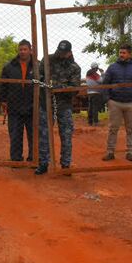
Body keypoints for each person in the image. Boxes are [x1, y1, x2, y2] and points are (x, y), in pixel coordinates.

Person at [35, 40, 81, 175]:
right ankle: (43, 163)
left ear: (69, 53)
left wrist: (59, 88)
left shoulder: (74, 67)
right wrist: (47, 84)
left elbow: (75, 88)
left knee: (66, 135)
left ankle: (65, 165)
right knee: (44, 135)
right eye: (60, 51)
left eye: (64, 52)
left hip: (64, 105)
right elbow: (38, 76)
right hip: (46, 103)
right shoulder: (47, 60)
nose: (61, 54)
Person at [101, 44, 132, 162]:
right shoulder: (112, 67)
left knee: (130, 129)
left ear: (129, 54)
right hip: (115, 102)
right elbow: (105, 84)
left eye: (124, 53)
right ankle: (110, 152)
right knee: (113, 128)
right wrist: (108, 100)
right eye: (120, 52)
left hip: (131, 103)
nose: (121, 55)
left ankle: (130, 152)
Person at [0, 39, 37, 162]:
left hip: (33, 106)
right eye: (20, 49)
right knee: (15, 135)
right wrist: (3, 100)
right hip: (14, 106)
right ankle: (16, 159)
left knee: (33, 135)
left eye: (25, 49)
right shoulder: (9, 66)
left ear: (30, 50)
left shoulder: (37, 66)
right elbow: (3, 85)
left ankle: (33, 158)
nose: (22, 52)